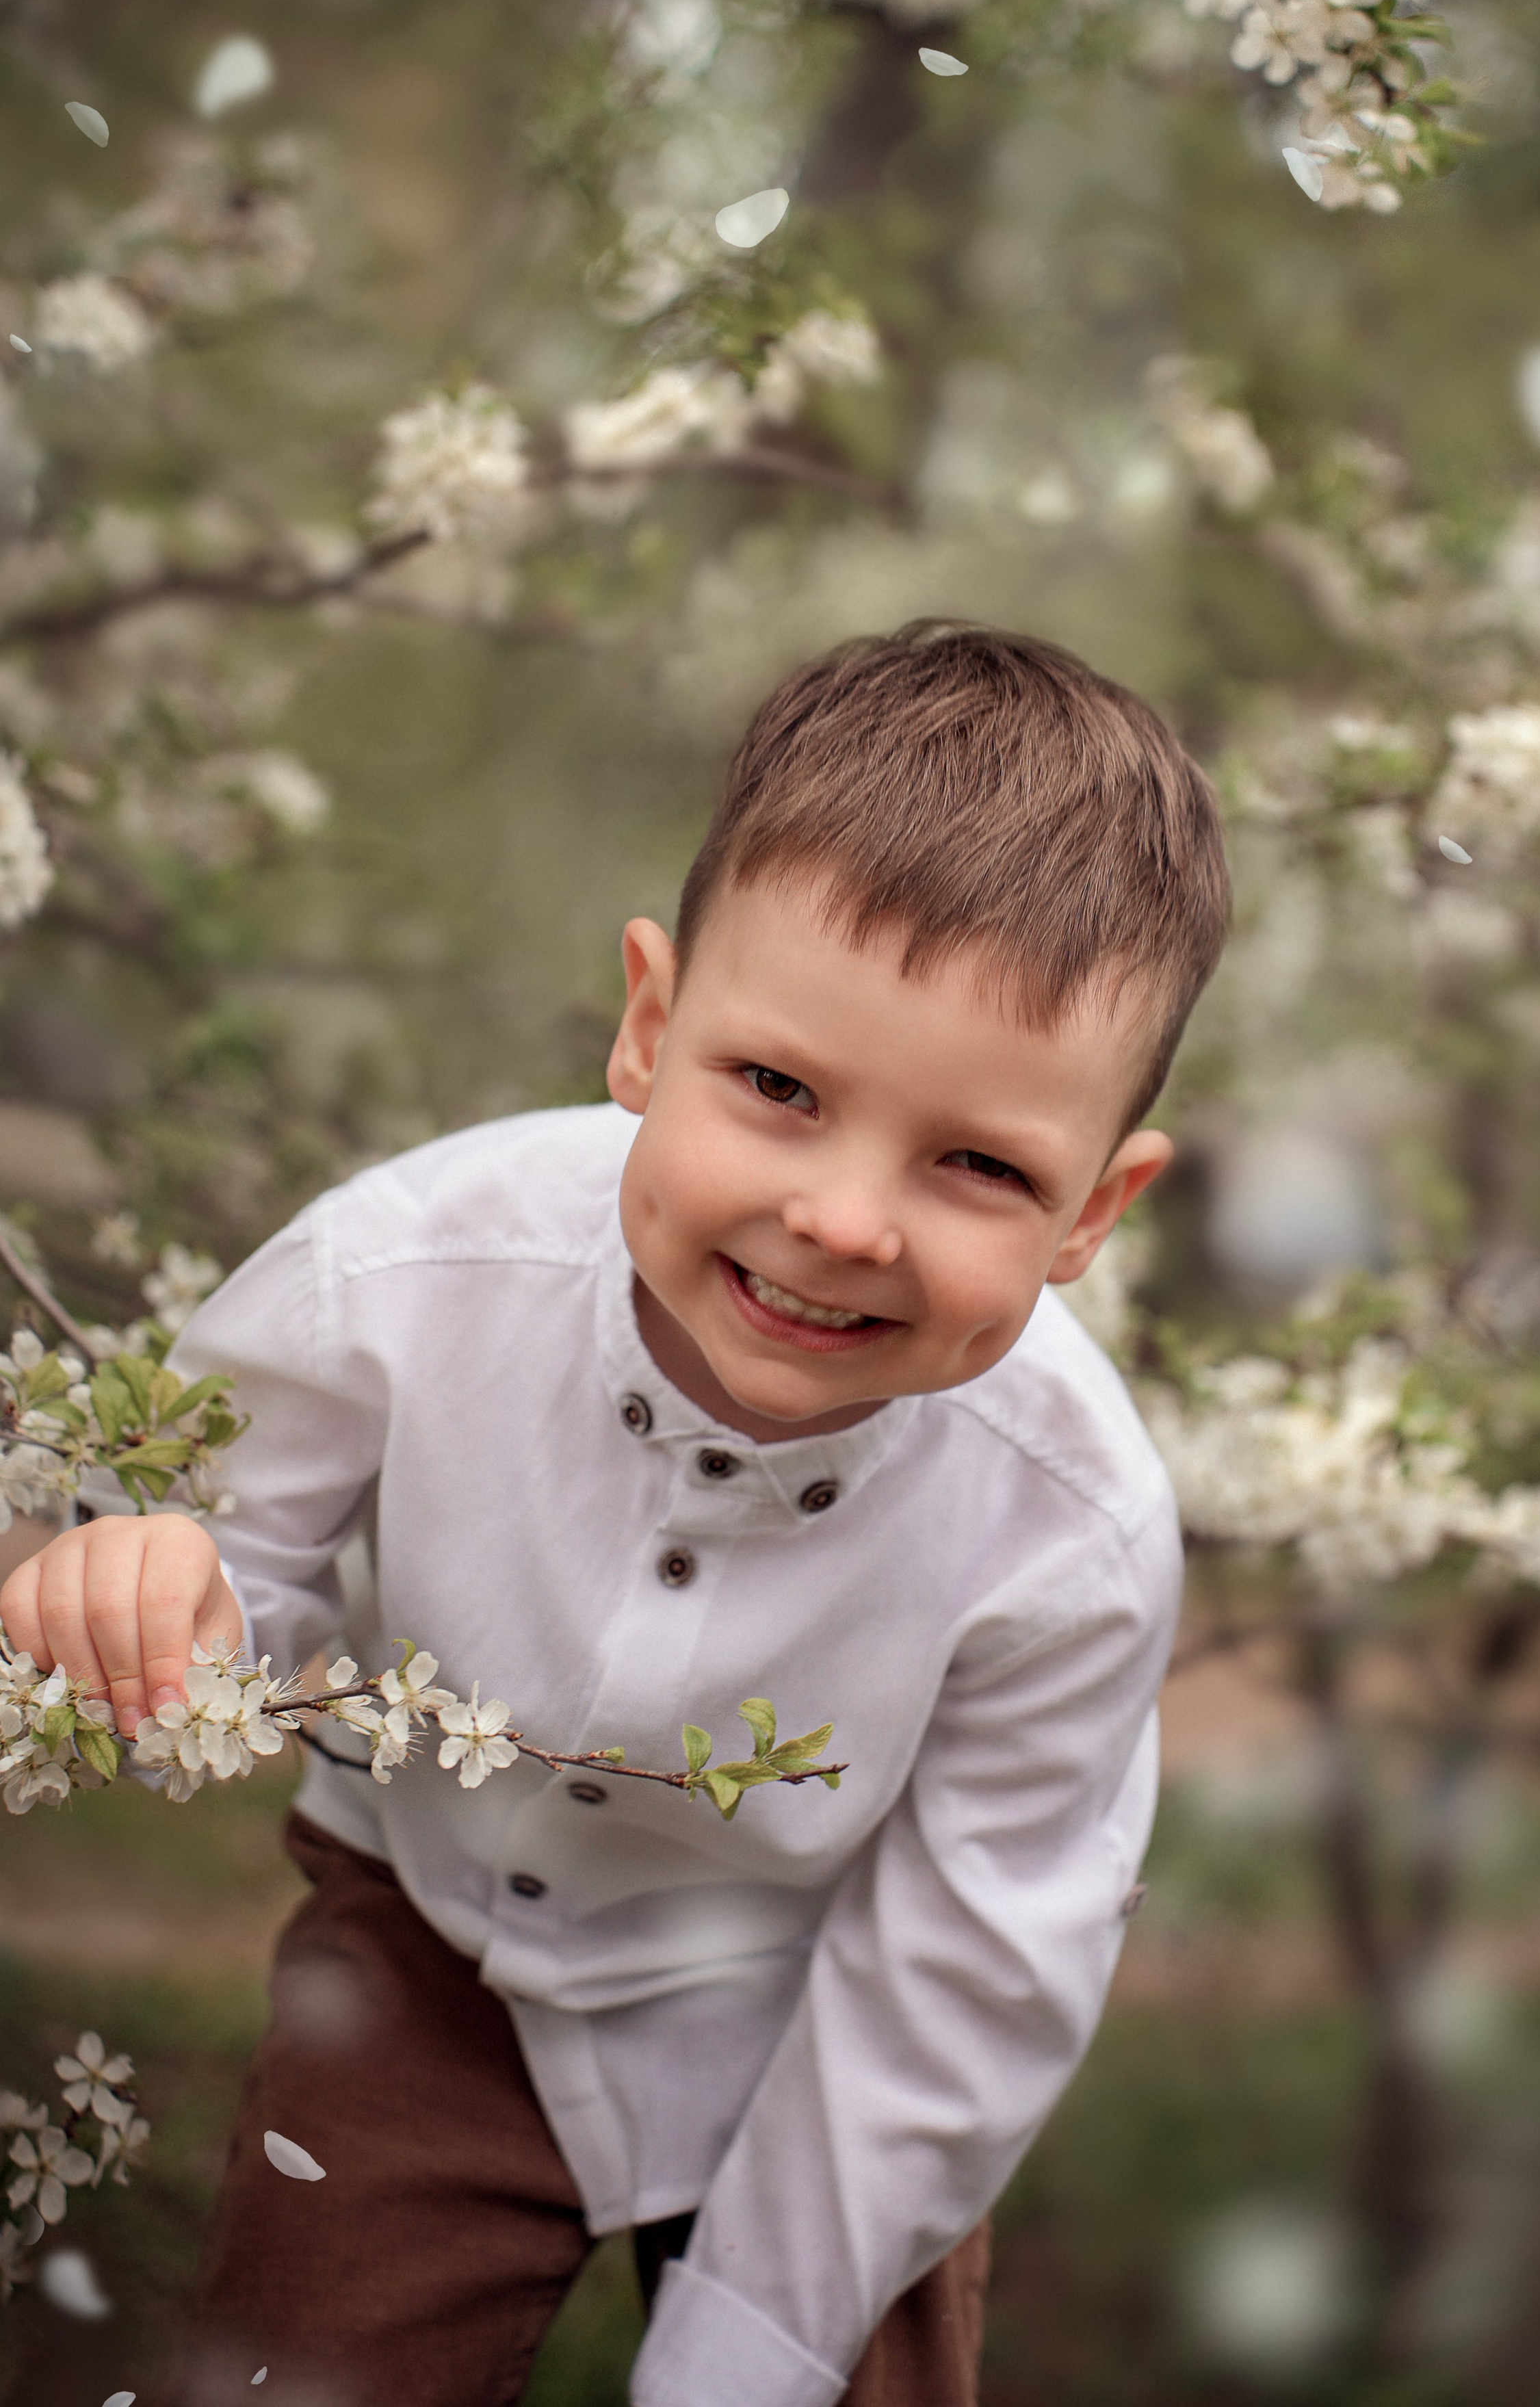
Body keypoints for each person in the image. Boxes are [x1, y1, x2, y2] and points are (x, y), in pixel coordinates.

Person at [1, 618, 1229, 2407]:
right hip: (421, 1958)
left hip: (828, 2026)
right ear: (651, 1026)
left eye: (978, 1165)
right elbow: (220, 1575)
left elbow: (970, 1967)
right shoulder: (404, 1271)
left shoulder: (1073, 1529)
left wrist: (746, 2361)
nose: (845, 1220)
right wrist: (151, 1588)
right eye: (780, 1091)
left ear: (1095, 1213)